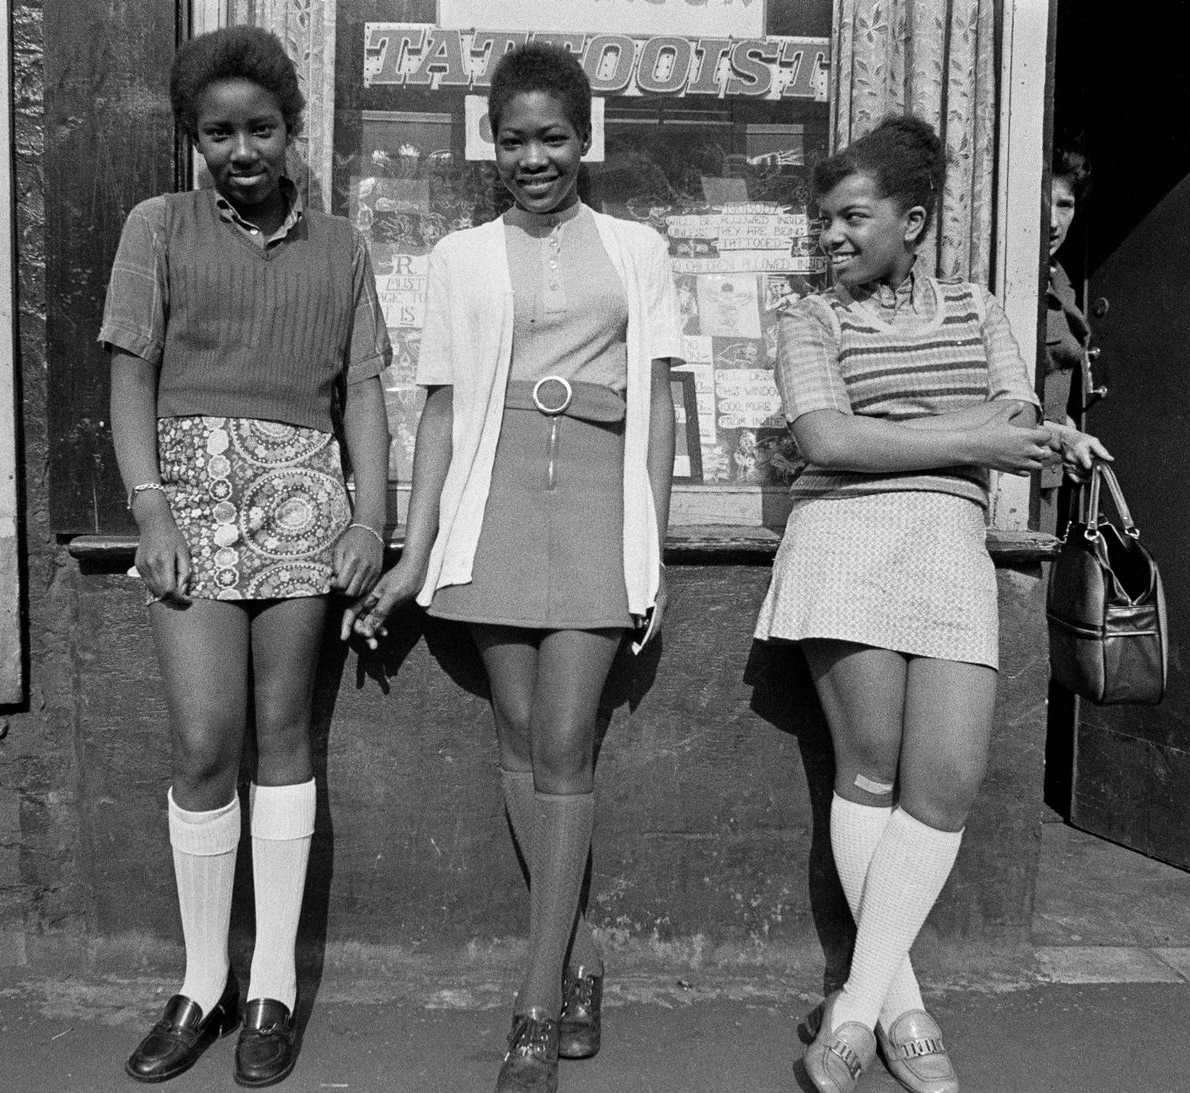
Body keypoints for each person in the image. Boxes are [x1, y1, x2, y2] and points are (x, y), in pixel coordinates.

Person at [341, 42, 681, 1093]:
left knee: (568, 742)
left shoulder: (639, 248)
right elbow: (439, 412)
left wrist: (651, 544)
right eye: (516, 139)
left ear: (587, 140)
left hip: (594, 501)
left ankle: (534, 1004)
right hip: (491, 505)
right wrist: (420, 543)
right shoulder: (456, 257)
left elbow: (660, 406)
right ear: (491, 142)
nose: (535, 158)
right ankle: (578, 957)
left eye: (555, 138)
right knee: (522, 737)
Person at [754, 116, 1105, 1093]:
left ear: (910, 220)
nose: (829, 237)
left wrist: (1039, 435)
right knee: (867, 773)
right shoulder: (804, 317)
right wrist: (974, 436)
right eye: (821, 220)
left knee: (942, 784)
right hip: (844, 541)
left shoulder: (983, 307)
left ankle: (852, 1008)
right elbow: (823, 439)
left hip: (950, 547)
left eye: (850, 217)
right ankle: (902, 1012)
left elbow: (1018, 415)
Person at [101, 25, 391, 1087]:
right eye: (217, 132)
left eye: (260, 128)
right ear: (193, 139)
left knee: (282, 732)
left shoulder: (343, 245)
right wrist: (153, 509)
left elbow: (360, 389)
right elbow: (129, 375)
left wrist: (370, 516)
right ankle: (200, 980)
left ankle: (269, 981)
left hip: (306, 492)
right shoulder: (158, 228)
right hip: (188, 489)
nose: (241, 150)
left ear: (293, 129)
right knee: (203, 739)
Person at [1041, 140, 1100, 529]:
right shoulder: (1009, 277)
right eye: (1045, 201)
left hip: (1048, 477)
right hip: (1009, 473)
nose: (1053, 221)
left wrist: (1070, 436)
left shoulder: (1059, 278)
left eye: (1066, 205)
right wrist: (1062, 437)